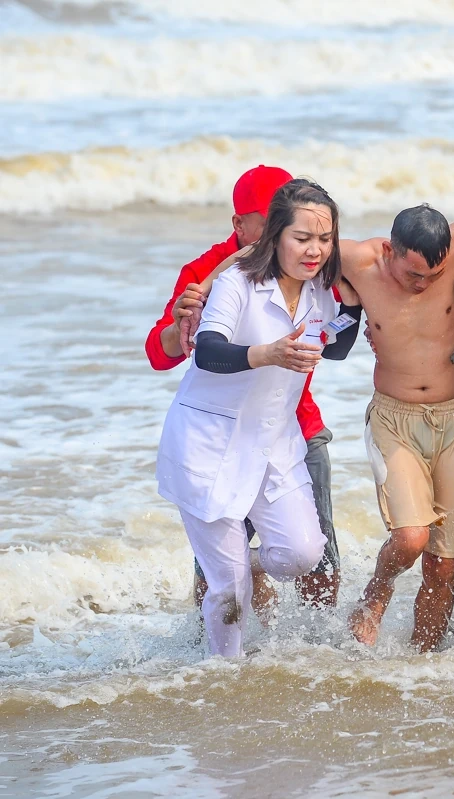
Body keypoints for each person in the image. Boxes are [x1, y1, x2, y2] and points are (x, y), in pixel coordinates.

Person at [157, 179, 362, 657]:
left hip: (275, 444)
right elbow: (207, 351)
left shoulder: (320, 291)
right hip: (207, 443)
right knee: (230, 593)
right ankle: (223, 676)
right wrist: (267, 352)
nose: (315, 251)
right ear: (275, 237)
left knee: (303, 555)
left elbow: (339, 347)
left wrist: (353, 302)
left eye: (324, 240)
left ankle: (234, 559)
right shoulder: (237, 282)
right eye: (302, 238)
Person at [333, 206, 454, 652]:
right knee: (410, 537)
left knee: (443, 565)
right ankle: (377, 591)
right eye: (413, 274)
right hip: (395, 419)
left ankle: (425, 669)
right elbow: (271, 248)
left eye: (434, 274)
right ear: (389, 249)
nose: (423, 284)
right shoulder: (360, 261)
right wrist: (204, 289)